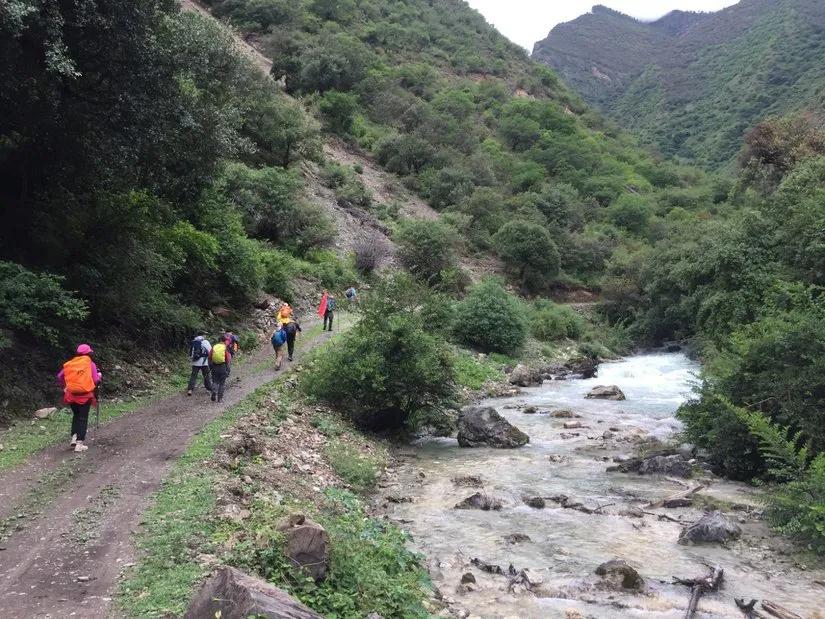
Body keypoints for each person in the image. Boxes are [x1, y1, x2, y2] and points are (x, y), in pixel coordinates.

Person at [57, 344, 102, 452]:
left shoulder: (70, 363)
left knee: (76, 415)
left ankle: (74, 438)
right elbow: (95, 380)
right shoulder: (90, 364)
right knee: (83, 418)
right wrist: (99, 376)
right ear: (89, 353)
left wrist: (65, 386)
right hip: (85, 396)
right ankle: (79, 443)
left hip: (71, 395)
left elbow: (59, 376)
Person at [187, 332, 212, 396]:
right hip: (204, 362)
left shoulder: (194, 341)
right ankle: (209, 388)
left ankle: (190, 389)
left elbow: (190, 353)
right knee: (206, 375)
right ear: (203, 335)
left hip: (195, 362)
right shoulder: (205, 341)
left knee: (193, 375)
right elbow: (210, 351)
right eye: (205, 334)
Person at [208, 335, 232, 403]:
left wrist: (211, 366)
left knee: (215, 381)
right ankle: (220, 398)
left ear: (218, 340)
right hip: (222, 366)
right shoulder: (225, 348)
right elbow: (228, 360)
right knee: (222, 383)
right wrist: (228, 370)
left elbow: (209, 357)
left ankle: (214, 392)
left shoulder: (214, 347)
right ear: (224, 341)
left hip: (215, 366)